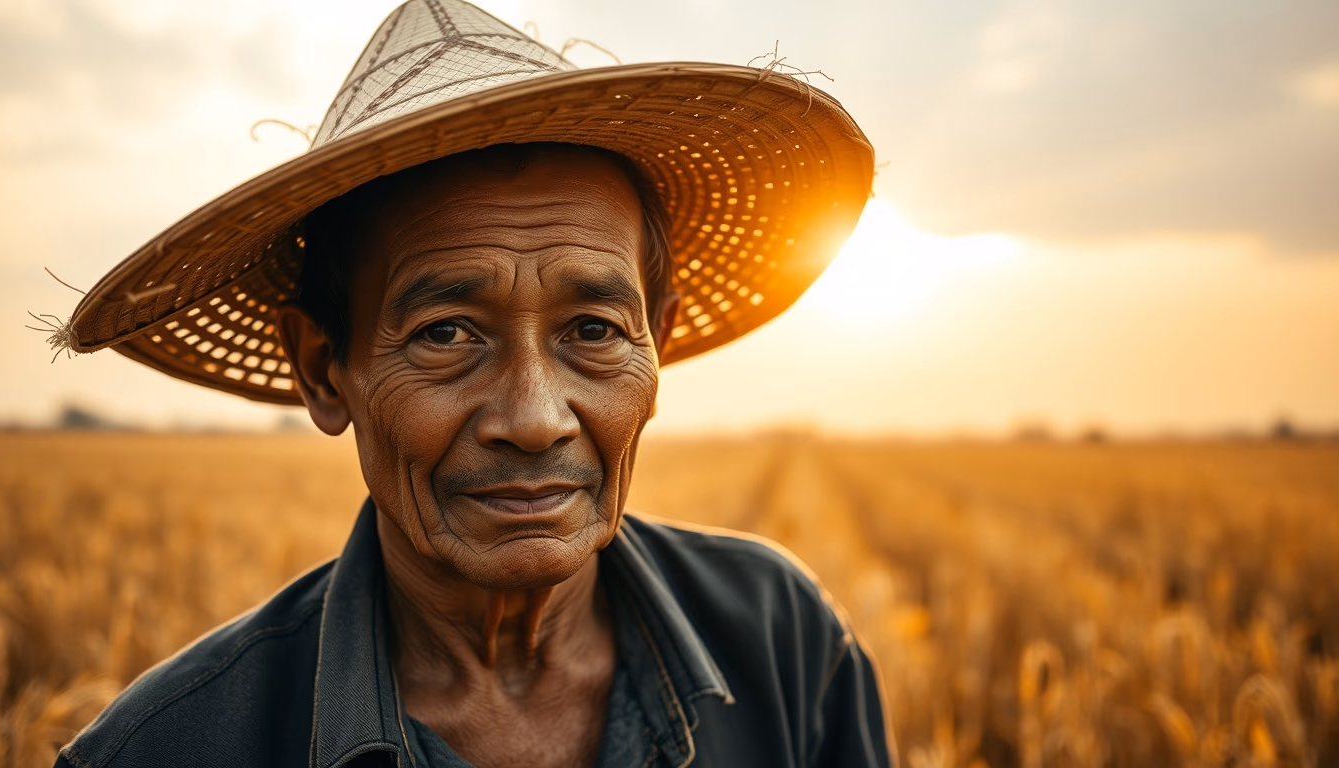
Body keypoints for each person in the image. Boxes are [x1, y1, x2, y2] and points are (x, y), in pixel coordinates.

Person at [54, 1, 887, 765]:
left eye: (592, 331)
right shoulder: (167, 749)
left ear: (655, 343)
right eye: (445, 334)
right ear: (324, 370)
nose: (533, 418)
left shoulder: (785, 640)